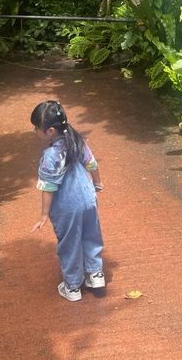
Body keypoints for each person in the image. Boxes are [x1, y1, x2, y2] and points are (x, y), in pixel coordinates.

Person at [30, 99, 105, 301]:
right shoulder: (76, 140)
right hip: (88, 198)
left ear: (50, 131)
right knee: (91, 234)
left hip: (67, 206)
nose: (35, 131)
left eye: (37, 128)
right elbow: (91, 163)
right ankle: (95, 274)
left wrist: (44, 215)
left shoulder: (50, 155)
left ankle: (72, 286)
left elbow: (48, 187)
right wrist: (97, 184)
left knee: (70, 243)